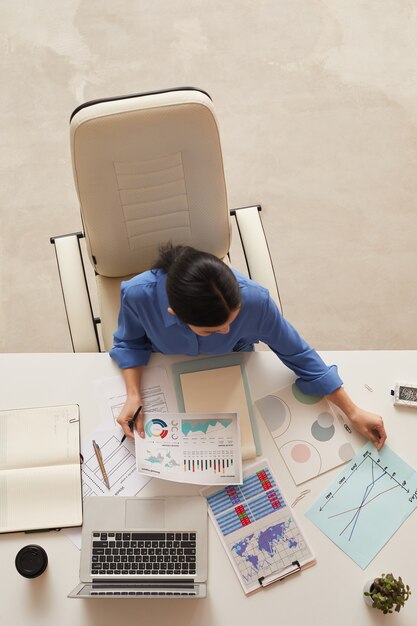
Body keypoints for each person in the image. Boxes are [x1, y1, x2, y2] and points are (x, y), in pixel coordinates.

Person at [110, 243, 387, 450]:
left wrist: (352, 410)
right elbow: (130, 342)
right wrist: (133, 394)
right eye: (213, 330)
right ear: (175, 314)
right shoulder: (137, 296)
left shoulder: (255, 301)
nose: (227, 331)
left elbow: (299, 355)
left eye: (233, 318)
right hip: (166, 375)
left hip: (234, 370)